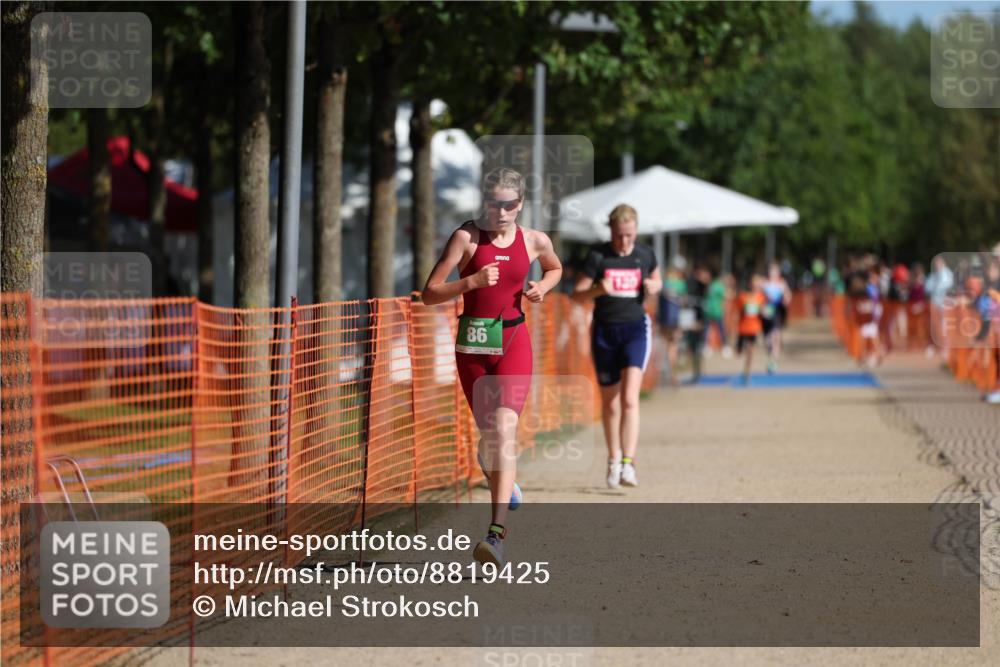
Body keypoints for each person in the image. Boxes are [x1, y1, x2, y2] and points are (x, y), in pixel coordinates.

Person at [421, 167, 562, 566]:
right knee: (490, 442)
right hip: (474, 346)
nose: (501, 212)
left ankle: (495, 536)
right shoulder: (466, 238)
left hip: (514, 343)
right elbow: (429, 294)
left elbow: (555, 268)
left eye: (509, 205)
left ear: (520, 204)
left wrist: (543, 288)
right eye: (494, 203)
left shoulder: (534, 240)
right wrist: (471, 282)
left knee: (504, 429)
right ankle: (502, 478)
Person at [574, 204, 661, 489]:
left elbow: (658, 278)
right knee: (610, 403)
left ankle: (629, 464)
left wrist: (653, 286)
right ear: (611, 231)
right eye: (620, 235)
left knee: (629, 399)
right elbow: (577, 294)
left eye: (630, 235)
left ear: (636, 232)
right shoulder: (598, 256)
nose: (625, 241)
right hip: (604, 332)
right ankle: (613, 458)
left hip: (635, 329)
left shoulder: (645, 254)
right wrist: (598, 289)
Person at [658, 257, 687, 386]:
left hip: (664, 319)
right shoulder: (681, 284)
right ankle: (673, 375)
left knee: (664, 346)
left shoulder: (663, 283)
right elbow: (683, 302)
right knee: (672, 347)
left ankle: (664, 373)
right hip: (675, 320)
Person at [761, 262, 792, 374]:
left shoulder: (782, 283)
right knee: (767, 340)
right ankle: (770, 357)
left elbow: (788, 295)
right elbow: (758, 297)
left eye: (775, 270)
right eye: (771, 270)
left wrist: (786, 300)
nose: (773, 272)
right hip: (765, 315)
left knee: (776, 336)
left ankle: (774, 362)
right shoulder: (764, 283)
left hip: (777, 313)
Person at [736, 273, 766, 384]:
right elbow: (738, 310)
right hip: (742, 328)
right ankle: (739, 349)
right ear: (750, 284)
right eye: (754, 283)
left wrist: (763, 311)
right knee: (739, 352)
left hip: (754, 328)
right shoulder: (743, 296)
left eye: (758, 283)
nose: (756, 285)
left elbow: (763, 311)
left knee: (750, 351)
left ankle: (746, 373)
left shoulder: (761, 297)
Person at [703, 269, 732, 358]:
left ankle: (706, 347)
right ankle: (725, 347)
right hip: (717, 311)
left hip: (708, 311)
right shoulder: (719, 286)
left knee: (707, 329)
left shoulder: (710, 285)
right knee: (721, 329)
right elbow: (728, 295)